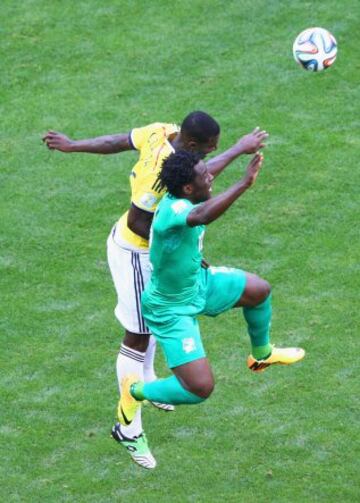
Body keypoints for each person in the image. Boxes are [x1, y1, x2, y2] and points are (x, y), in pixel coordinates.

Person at [43, 112, 268, 469]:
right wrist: (180, 252)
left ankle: (149, 381)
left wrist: (74, 146)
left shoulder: (163, 132)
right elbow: (142, 223)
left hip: (159, 253)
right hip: (138, 253)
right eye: (209, 150)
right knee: (137, 335)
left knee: (150, 333)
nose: (211, 157)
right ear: (192, 146)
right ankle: (128, 426)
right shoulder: (157, 184)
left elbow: (118, 140)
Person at [117, 150, 305, 460]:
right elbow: (201, 217)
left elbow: (177, 240)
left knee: (259, 290)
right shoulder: (175, 209)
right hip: (171, 308)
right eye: (205, 176)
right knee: (200, 388)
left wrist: (189, 258)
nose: (211, 177)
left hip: (198, 283)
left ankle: (262, 355)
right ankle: (134, 392)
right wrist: (244, 183)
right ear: (189, 188)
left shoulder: (187, 198)